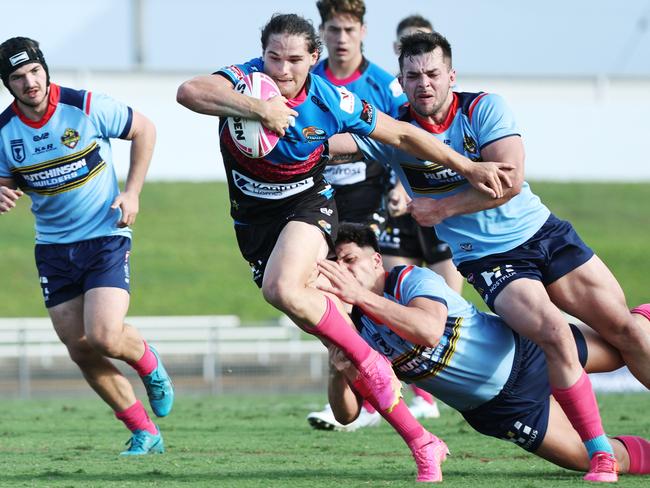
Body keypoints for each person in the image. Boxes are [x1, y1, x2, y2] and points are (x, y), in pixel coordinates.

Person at [176, 13, 511, 482]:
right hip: (252, 224)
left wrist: (467, 166)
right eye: (275, 57)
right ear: (262, 53)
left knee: (281, 289)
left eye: (295, 59)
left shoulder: (333, 98)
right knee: (343, 349)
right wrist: (259, 109)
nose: (283, 69)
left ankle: (377, 356)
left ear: (315, 59)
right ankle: (421, 438)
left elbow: (402, 133)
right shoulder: (244, 79)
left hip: (308, 206)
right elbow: (188, 92)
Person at [329, 30, 650, 482]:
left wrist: (441, 207)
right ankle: (600, 452)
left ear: (451, 75)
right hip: (487, 259)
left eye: (433, 73)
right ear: (401, 80)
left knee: (626, 330)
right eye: (414, 75)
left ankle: (641, 325)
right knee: (553, 330)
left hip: (543, 233)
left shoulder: (483, 108)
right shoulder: (396, 132)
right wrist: (284, 130)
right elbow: (331, 144)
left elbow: (509, 181)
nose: (424, 83)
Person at [317, 222, 650, 481]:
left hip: (527, 351)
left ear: (376, 260)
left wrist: (359, 296)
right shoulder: (352, 330)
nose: (342, 270)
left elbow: (429, 330)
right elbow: (347, 414)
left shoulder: (409, 279)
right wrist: (338, 371)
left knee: (628, 345)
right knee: (586, 458)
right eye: (334, 266)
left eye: (350, 260)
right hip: (503, 410)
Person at [0, 37, 174, 456]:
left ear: (45, 69)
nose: (30, 83)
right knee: (79, 347)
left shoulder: (86, 105)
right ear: (8, 86)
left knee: (104, 335)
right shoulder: (4, 133)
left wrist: (132, 192)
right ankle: (143, 431)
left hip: (104, 235)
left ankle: (148, 364)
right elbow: (5, 182)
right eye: (19, 78)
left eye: (35, 71)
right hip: (54, 248)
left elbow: (145, 129)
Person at [305, 0, 438, 431]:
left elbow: (408, 135)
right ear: (321, 34)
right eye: (333, 29)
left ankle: (384, 392)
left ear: (362, 31)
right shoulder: (309, 81)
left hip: (373, 203)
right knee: (324, 293)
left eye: (348, 29)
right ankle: (358, 386)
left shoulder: (384, 83)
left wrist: (401, 185)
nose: (340, 38)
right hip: (320, 200)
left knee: (360, 293)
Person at [381, 14, 464, 298]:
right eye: (408, 42)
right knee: (398, 301)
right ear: (397, 50)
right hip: (398, 211)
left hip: (437, 206)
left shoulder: (445, 98)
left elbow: (433, 149)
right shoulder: (387, 91)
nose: (423, 83)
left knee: (449, 303)